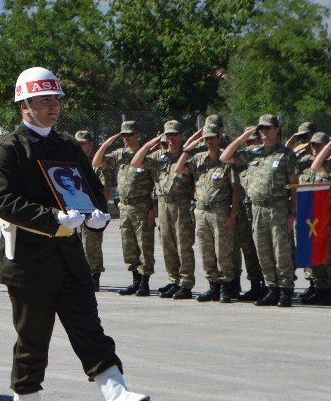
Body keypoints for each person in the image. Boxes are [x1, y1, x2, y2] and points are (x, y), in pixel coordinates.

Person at [0, 67, 160, 401]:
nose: (54, 107)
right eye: (45, 100)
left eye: (57, 100)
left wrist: (98, 217)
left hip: (70, 258)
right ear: (25, 105)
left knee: (91, 331)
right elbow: (4, 202)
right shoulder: (9, 150)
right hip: (29, 262)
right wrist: (52, 219)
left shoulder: (68, 148)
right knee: (33, 340)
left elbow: (92, 192)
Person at [220, 114, 300, 307]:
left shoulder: (286, 154)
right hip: (257, 208)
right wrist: (241, 138)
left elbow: (295, 186)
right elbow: (225, 157)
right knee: (263, 251)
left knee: (281, 251)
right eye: (261, 128)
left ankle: (285, 290)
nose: (263, 131)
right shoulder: (253, 153)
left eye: (267, 128)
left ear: (277, 130)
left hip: (278, 207)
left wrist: (293, 213)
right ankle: (272, 289)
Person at [199, 115, 266, 301]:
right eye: (249, 140)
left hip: (249, 206)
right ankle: (233, 284)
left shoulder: (252, 153)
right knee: (235, 248)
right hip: (234, 208)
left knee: (253, 248)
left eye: (254, 140)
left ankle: (259, 283)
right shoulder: (226, 145)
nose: (251, 143)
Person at [131, 121, 196, 299]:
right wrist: (150, 143)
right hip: (163, 203)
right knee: (167, 244)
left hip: (181, 203)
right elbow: (136, 162)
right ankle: (174, 280)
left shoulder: (188, 156)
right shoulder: (159, 155)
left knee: (183, 245)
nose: (171, 138)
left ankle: (186, 283)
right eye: (168, 135)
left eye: (174, 134)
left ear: (181, 135)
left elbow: (194, 184)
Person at [177, 125, 240, 303]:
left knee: (223, 251)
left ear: (219, 138)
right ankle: (213, 285)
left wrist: (233, 213)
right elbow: (179, 170)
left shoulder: (226, 160)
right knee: (206, 250)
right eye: (206, 138)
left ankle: (226, 286)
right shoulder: (198, 159)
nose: (209, 141)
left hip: (220, 210)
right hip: (201, 211)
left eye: (212, 137)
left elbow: (235, 189)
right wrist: (189, 148)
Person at [93, 121, 156, 296]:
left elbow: (157, 182)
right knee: (128, 246)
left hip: (142, 205)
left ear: (138, 135)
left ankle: (144, 282)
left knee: (144, 245)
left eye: (129, 134)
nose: (126, 138)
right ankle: (135, 280)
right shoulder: (119, 154)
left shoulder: (147, 155)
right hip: (124, 206)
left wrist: (154, 208)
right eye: (123, 135)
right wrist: (106, 144)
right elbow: (97, 162)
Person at [76, 130, 110, 290]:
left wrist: (101, 210)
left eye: (83, 143)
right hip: (76, 210)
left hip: (93, 210)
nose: (80, 146)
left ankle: (94, 277)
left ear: (91, 144)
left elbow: (105, 189)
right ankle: (80, 276)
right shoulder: (74, 162)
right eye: (78, 143)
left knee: (92, 245)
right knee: (76, 244)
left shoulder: (98, 165)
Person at [299, 133, 331, 305]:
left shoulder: (327, 164)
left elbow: (316, 166)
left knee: (327, 256)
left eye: (318, 145)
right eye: (312, 145)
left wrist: (327, 149)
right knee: (316, 254)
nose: (314, 148)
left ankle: (328, 290)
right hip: (314, 217)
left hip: (327, 216)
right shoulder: (311, 163)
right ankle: (320, 288)